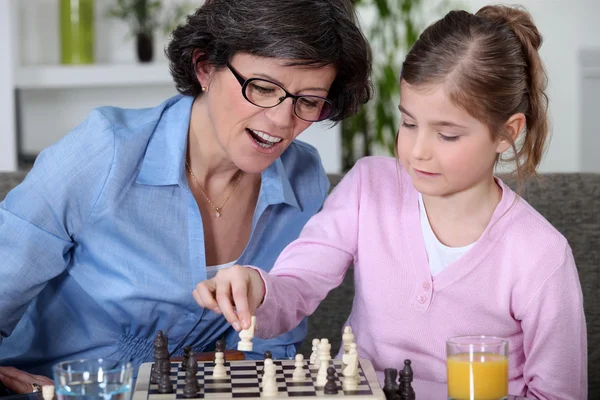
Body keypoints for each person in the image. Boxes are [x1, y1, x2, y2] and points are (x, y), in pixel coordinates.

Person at [195, 5, 587, 399]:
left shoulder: (541, 255)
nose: (417, 151)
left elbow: (559, 393)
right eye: (409, 123)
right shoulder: (369, 187)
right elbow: (297, 286)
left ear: (506, 133)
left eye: (447, 135)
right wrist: (256, 288)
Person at [0, 0, 372, 393]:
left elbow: (270, 352)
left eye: (308, 101)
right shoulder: (104, 152)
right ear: (204, 67)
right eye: (262, 88)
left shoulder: (304, 180)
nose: (282, 121)